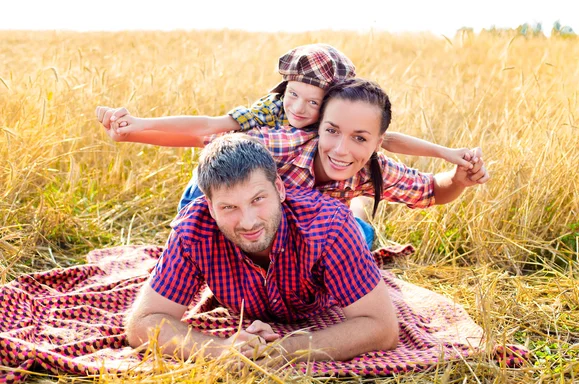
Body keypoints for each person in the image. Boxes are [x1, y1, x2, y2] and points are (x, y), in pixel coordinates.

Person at [96, 44, 475, 246]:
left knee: (357, 235)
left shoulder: (356, 143)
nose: (299, 109)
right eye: (294, 96)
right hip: (239, 197)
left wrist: (451, 163)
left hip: (308, 214)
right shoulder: (274, 127)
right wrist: (135, 129)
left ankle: (356, 207)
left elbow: (395, 149)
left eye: (358, 137)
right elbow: (206, 132)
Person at [126, 134, 400, 363]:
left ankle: (360, 206)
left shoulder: (330, 226)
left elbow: (383, 328)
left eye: (258, 199)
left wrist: (287, 349)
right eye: (229, 207)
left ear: (279, 189)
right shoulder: (193, 231)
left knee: (362, 230)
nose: (248, 222)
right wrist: (220, 350)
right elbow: (142, 323)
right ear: (210, 207)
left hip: (338, 235)